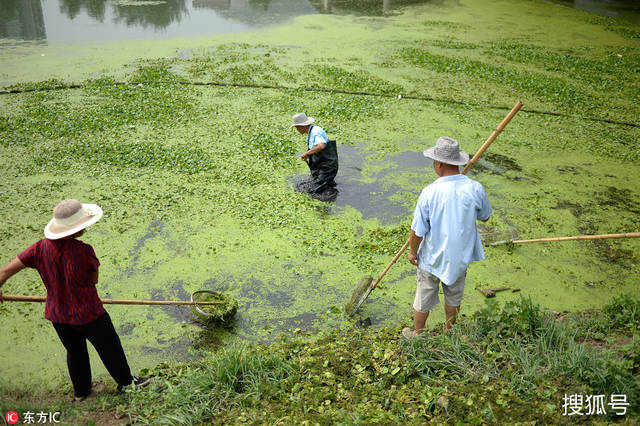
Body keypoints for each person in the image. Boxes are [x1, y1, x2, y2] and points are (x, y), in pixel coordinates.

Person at [0, 199, 150, 400]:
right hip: (89, 314)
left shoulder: (38, 249)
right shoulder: (84, 251)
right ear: (75, 229)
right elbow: (93, 280)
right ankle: (126, 383)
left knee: (75, 351)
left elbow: (5, 272)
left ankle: (81, 392)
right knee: (109, 347)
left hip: (58, 315)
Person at [403, 137, 492, 339]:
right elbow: (485, 216)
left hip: (432, 257)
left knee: (424, 293)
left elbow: (417, 231)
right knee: (454, 294)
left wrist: (412, 252)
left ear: (439, 163)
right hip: (460, 256)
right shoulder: (475, 188)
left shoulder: (430, 192)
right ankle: (449, 332)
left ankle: (418, 333)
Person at [291, 112, 339, 197]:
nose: (297, 130)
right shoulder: (311, 131)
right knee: (324, 185)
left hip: (327, 167)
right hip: (321, 165)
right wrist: (308, 156)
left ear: (302, 126)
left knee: (313, 191)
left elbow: (321, 146)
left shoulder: (315, 132)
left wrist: (306, 153)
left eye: (297, 128)